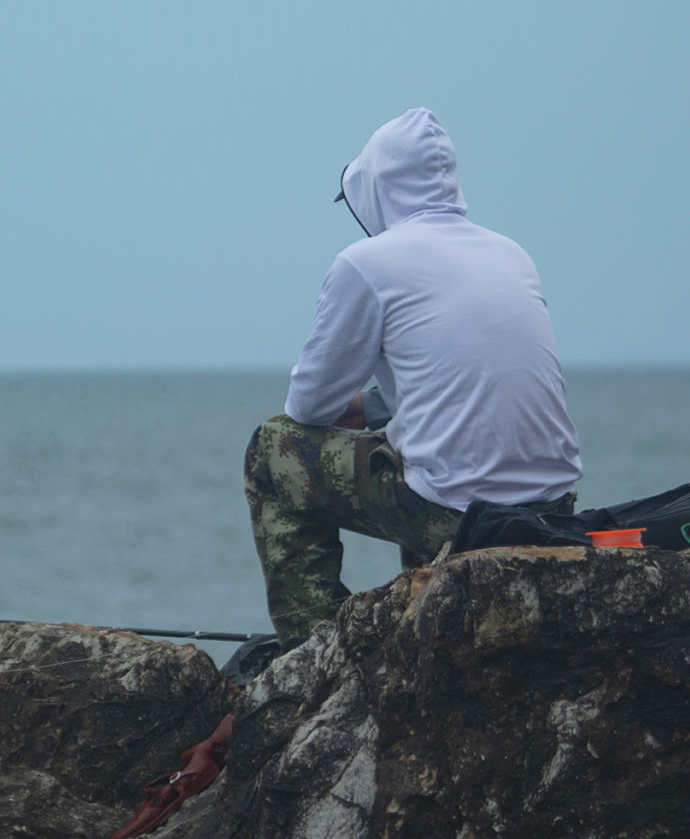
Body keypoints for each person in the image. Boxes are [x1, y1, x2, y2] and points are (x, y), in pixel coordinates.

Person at [244, 108, 582, 648]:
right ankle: (428, 618)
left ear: (376, 188)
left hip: (454, 513)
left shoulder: (367, 263)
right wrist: (374, 409)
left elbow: (306, 407)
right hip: (551, 508)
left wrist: (350, 406)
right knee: (418, 451)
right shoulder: (511, 254)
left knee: (272, 449)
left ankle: (315, 647)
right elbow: (453, 384)